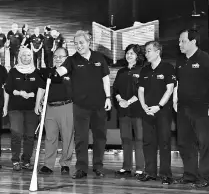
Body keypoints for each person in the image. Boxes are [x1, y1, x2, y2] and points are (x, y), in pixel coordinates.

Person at [52, 30, 112, 179]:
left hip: (99, 104)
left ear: (88, 42)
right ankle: (81, 168)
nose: (78, 46)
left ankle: (98, 166)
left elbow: (105, 78)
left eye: (81, 43)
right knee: (81, 138)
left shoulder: (99, 58)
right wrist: (53, 73)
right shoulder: (72, 60)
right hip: (80, 106)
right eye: (76, 43)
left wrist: (108, 97)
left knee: (100, 137)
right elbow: (62, 69)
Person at [173, 28, 209, 188]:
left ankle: (206, 176)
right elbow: (177, 83)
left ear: (193, 41)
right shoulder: (180, 61)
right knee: (184, 143)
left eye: (183, 41)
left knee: (204, 142)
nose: (180, 44)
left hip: (202, 109)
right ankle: (189, 175)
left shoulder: (205, 58)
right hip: (183, 108)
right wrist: (175, 100)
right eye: (179, 41)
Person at [137, 41, 176, 184]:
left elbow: (170, 89)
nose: (146, 54)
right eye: (146, 51)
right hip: (147, 112)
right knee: (148, 142)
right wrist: (144, 106)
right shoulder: (144, 70)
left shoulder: (167, 68)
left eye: (149, 51)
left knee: (164, 142)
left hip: (163, 112)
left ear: (157, 51)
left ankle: (166, 174)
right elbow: (140, 90)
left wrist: (158, 106)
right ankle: (150, 172)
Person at [4, 47, 45, 171]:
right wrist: (19, 92)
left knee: (29, 136)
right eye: (23, 55)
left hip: (31, 109)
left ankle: (26, 161)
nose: (26, 57)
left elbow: (41, 88)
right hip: (15, 108)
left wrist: (36, 100)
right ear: (19, 57)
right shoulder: (13, 71)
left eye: (28, 55)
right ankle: (16, 161)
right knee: (16, 134)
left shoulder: (37, 72)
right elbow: (8, 88)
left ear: (31, 57)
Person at [36, 47, 74, 175]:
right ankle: (48, 165)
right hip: (50, 108)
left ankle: (65, 164)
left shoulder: (71, 72)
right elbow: (41, 89)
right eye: (55, 56)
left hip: (67, 107)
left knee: (67, 137)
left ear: (67, 58)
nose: (58, 58)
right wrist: (38, 104)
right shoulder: (49, 72)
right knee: (50, 137)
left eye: (61, 56)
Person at [112, 44, 145, 177]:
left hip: (137, 110)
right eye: (127, 53)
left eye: (132, 53)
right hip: (123, 111)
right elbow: (115, 89)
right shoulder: (121, 71)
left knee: (139, 139)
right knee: (125, 138)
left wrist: (129, 101)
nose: (129, 55)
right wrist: (120, 100)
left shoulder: (143, 70)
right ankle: (126, 167)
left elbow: (143, 90)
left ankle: (140, 168)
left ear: (137, 56)